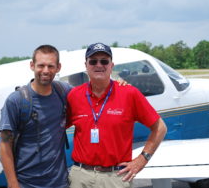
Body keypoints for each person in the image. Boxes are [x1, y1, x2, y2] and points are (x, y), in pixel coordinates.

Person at [66, 42, 167, 188]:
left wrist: (142, 160)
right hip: (81, 176)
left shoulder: (129, 93)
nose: (99, 65)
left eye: (104, 61)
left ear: (111, 65)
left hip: (116, 177)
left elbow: (160, 128)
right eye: (93, 61)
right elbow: (56, 127)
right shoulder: (74, 95)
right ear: (86, 65)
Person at [0, 45, 72, 188]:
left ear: (58, 68)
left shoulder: (63, 91)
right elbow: (5, 145)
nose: (45, 71)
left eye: (51, 66)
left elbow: (91, 93)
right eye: (41, 65)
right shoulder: (16, 100)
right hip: (27, 183)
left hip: (60, 183)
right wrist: (13, 184)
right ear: (32, 66)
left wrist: (119, 86)